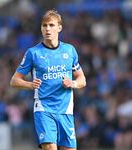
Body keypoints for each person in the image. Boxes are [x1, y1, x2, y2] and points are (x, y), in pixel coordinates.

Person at [10, 9, 86, 150]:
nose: (47, 29)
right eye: (44, 26)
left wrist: (73, 83)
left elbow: (82, 79)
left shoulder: (69, 51)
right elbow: (14, 80)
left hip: (66, 111)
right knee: (50, 147)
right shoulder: (33, 53)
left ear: (59, 27)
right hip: (44, 109)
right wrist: (30, 84)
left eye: (51, 25)